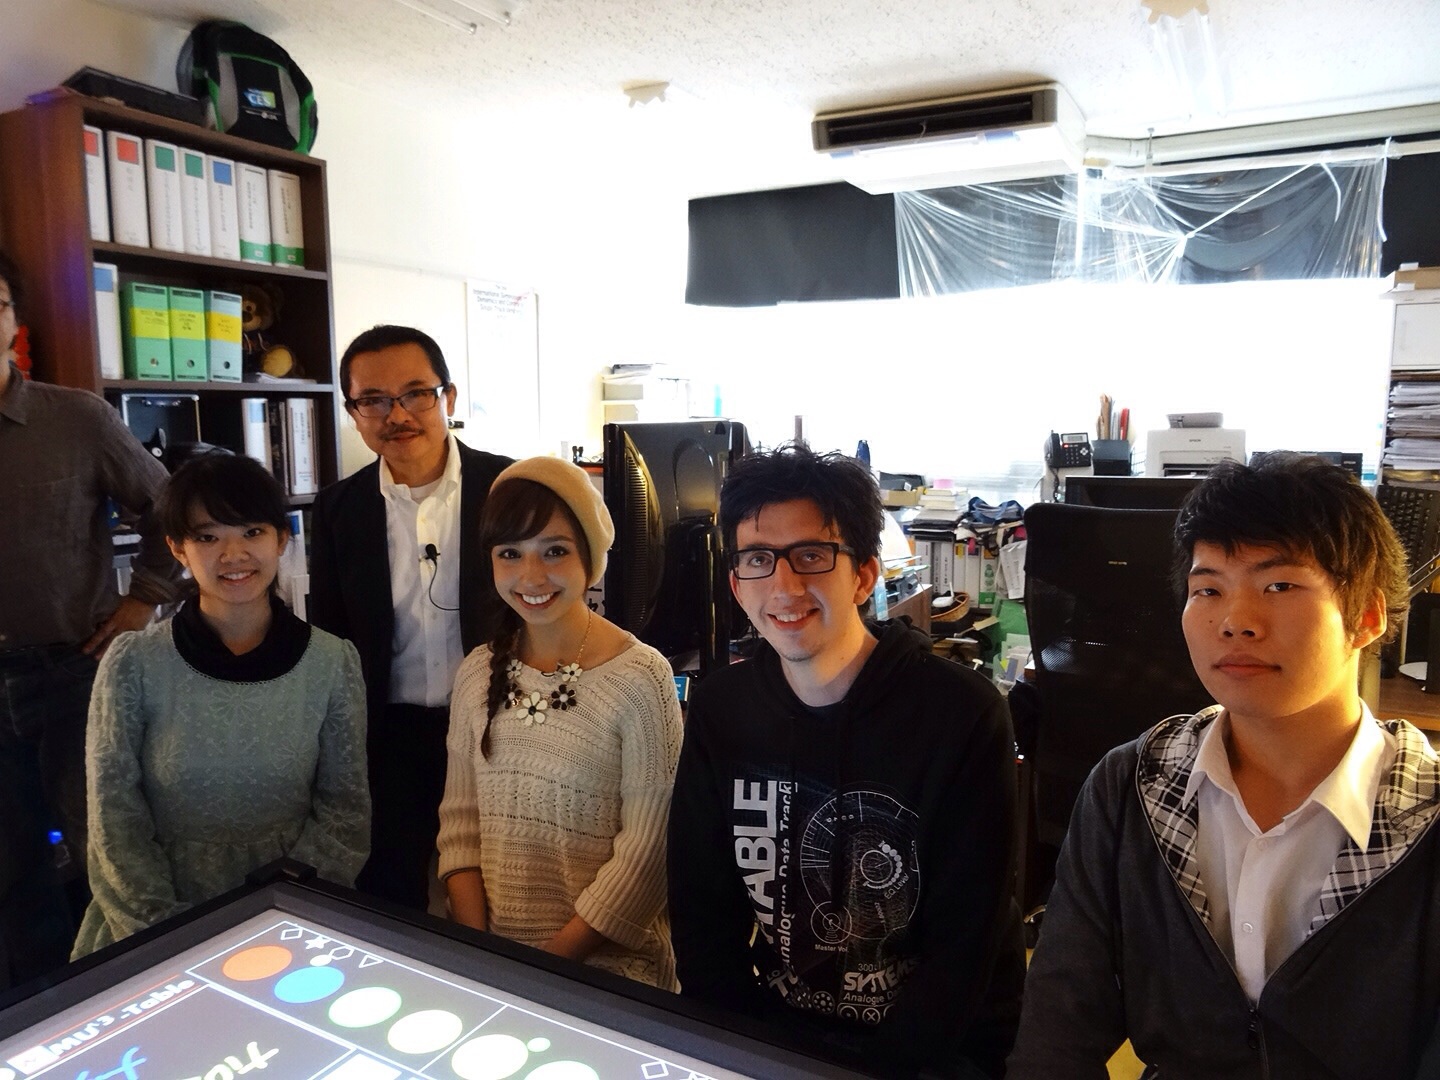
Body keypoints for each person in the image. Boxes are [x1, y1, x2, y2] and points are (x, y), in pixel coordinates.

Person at [1008, 453, 1440, 1079]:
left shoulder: (1425, 818)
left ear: (1367, 617)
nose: (1236, 622)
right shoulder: (1130, 787)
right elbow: (1058, 1031)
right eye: (1208, 589)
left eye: (1279, 586)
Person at [667, 442, 1025, 1079]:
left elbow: (966, 949)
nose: (784, 586)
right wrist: (742, 1052)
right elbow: (703, 917)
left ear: (863, 576)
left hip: (932, 1054)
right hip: (778, 1041)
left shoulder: (961, 715)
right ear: (736, 585)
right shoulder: (722, 710)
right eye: (758, 559)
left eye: (811, 555)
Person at [73, 452, 369, 956]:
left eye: (252, 532)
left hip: (295, 917)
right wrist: (168, 933)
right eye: (208, 537)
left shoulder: (331, 661)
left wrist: (277, 913)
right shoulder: (133, 663)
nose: (234, 554)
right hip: (152, 926)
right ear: (178, 548)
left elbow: (345, 813)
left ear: (282, 538)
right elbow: (113, 820)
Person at [0, 251, 182, 987]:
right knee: (11, 865)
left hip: (73, 668)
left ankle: (119, 992)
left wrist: (143, 600)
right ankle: (37, 1010)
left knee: (101, 847)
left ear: (13, 320)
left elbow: (171, 510)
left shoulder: (75, 419)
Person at [437, 456, 682, 987]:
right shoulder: (477, 672)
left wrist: (544, 968)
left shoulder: (641, 678)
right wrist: (483, 955)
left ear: (590, 559)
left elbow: (647, 853)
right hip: (496, 967)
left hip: (610, 976)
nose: (531, 576)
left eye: (555, 551)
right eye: (510, 553)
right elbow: (460, 829)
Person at [309, 325, 512, 911]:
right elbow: (332, 635)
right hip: (388, 738)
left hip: (496, 726)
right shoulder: (338, 508)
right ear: (353, 413)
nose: (396, 415)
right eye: (372, 400)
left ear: (448, 397)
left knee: (501, 894)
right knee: (389, 895)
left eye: (415, 393)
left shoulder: (509, 486)